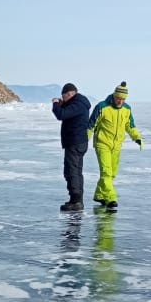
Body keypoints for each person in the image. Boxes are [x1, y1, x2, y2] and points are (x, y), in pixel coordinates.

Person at [88, 81, 143, 212]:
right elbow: (91, 125)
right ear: (114, 96)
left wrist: (137, 138)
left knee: (112, 174)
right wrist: (84, 140)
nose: (120, 101)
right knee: (106, 172)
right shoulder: (102, 107)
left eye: (123, 99)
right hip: (102, 144)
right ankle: (111, 198)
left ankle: (99, 195)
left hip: (117, 145)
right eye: (118, 98)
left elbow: (130, 126)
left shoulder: (127, 109)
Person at [51, 82, 92, 211]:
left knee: (71, 171)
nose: (63, 99)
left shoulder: (78, 103)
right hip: (78, 142)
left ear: (70, 94)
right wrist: (62, 104)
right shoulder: (79, 103)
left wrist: (56, 104)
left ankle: (76, 201)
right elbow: (67, 112)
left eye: (64, 97)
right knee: (76, 171)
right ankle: (76, 199)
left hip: (75, 143)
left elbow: (61, 115)